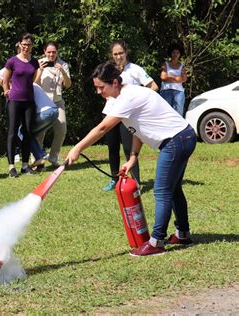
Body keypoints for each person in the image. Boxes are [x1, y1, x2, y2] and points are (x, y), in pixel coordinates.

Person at [67, 62, 196, 256]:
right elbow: (138, 128)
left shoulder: (128, 97)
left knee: (161, 191)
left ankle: (156, 241)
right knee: (173, 188)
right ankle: (182, 234)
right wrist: (133, 157)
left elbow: (102, 128)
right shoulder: (126, 95)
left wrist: (77, 148)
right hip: (184, 137)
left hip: (175, 141)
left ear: (114, 83)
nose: (98, 91)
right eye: (96, 87)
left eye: (101, 87)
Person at [101, 40, 158, 191]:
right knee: (112, 148)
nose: (118, 56)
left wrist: (139, 102)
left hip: (128, 116)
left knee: (129, 148)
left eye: (121, 53)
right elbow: (102, 88)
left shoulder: (136, 69)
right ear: (111, 55)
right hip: (110, 113)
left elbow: (154, 86)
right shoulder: (108, 70)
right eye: (115, 54)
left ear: (126, 53)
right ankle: (114, 180)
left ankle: (135, 183)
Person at [0, 68, 58, 167]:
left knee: (22, 132)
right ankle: (41, 158)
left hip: (45, 113)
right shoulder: (29, 84)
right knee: (30, 134)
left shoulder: (21, 89)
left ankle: (39, 156)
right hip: (54, 112)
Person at [3, 33, 42, 178]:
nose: (26, 47)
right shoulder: (12, 61)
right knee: (12, 132)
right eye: (24, 44)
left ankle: (25, 165)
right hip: (15, 101)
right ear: (19, 44)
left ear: (32, 46)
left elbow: (33, 80)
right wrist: (6, 91)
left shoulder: (34, 62)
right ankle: (11, 167)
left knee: (28, 132)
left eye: (29, 45)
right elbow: (5, 80)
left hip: (29, 101)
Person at [37, 41, 71, 168]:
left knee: (62, 130)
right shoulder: (39, 63)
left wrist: (62, 72)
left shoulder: (63, 64)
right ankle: (38, 159)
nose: (51, 55)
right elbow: (34, 83)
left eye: (54, 52)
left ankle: (53, 157)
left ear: (57, 52)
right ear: (44, 52)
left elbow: (67, 85)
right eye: (49, 52)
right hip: (43, 102)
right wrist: (40, 70)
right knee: (40, 132)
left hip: (58, 101)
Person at [160, 43, 187, 117]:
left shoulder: (182, 66)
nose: (175, 54)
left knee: (179, 112)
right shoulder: (165, 64)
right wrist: (178, 78)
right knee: (165, 111)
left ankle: (178, 128)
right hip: (166, 90)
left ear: (180, 54)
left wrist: (170, 77)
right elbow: (163, 77)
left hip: (179, 91)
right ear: (171, 53)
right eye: (174, 52)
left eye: (177, 52)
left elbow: (184, 79)